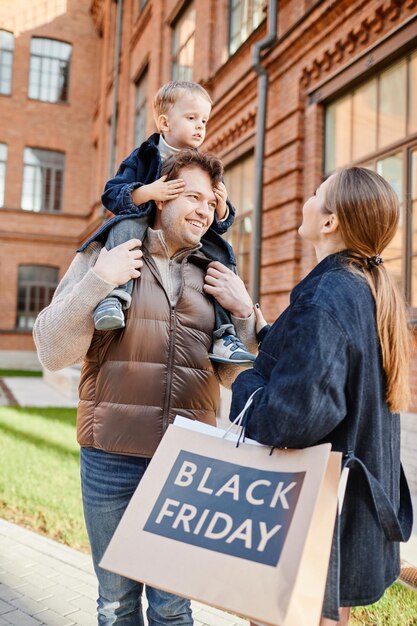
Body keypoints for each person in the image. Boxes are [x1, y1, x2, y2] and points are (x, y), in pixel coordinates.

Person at [33, 150, 257, 626]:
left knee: (173, 608)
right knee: (115, 604)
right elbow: (52, 350)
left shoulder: (217, 272)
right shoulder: (109, 253)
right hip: (110, 457)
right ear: (161, 196)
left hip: (188, 465)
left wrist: (245, 310)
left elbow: (236, 376)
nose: (202, 210)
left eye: (209, 201)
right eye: (190, 196)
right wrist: (99, 281)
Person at [223, 167, 413, 625]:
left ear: (330, 222)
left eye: (315, 195)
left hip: (313, 524)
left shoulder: (326, 298)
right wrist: (254, 320)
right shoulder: (364, 288)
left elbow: (293, 417)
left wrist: (238, 377)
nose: (306, 201)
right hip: (342, 518)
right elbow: (316, 366)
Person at [83, 79, 254, 365]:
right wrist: (147, 192)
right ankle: (113, 300)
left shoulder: (205, 166)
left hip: (185, 234)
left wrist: (221, 206)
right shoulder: (144, 155)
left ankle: (224, 335)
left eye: (204, 120)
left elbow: (218, 222)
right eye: (191, 118)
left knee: (223, 254)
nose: (200, 126)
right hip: (141, 222)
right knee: (122, 229)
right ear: (164, 122)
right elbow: (111, 194)